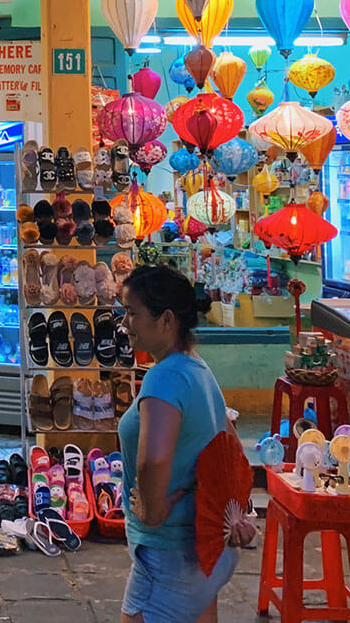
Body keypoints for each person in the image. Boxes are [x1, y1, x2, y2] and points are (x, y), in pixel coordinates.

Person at [117, 264, 236, 623]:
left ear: (166, 320)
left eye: (132, 313)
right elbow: (229, 442)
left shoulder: (164, 378)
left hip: (170, 555)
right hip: (204, 548)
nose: (125, 324)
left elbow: (153, 460)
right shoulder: (196, 368)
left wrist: (152, 513)